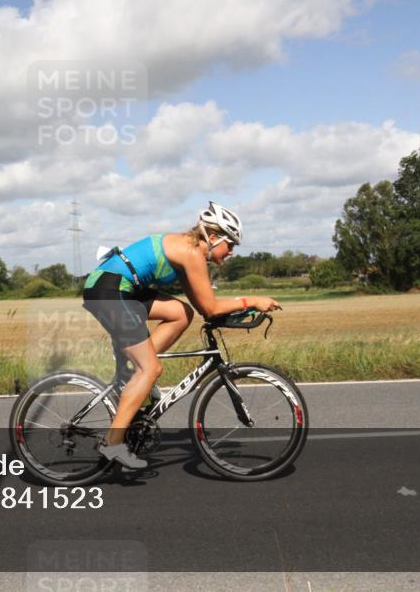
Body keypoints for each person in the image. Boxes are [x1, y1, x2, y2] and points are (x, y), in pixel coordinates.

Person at [81, 201, 281, 470]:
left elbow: (203, 309)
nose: (232, 252)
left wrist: (236, 314)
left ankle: (134, 372)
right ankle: (113, 443)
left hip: (117, 288)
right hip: (110, 290)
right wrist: (251, 300)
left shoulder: (189, 252)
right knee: (150, 369)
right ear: (212, 237)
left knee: (180, 312)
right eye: (230, 244)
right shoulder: (191, 254)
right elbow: (211, 307)